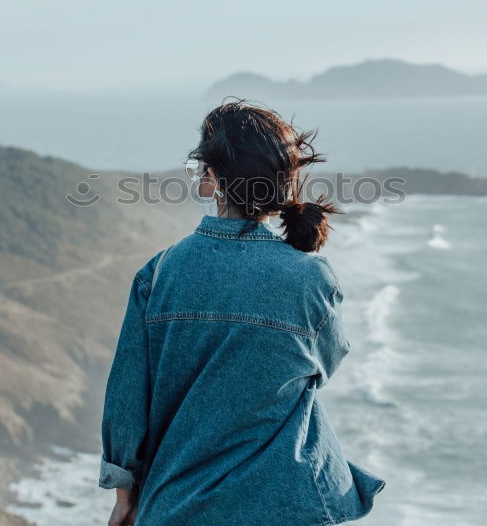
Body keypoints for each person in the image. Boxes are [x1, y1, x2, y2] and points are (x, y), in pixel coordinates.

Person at [99, 100, 385, 525]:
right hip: (286, 507)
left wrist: (125, 498)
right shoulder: (312, 278)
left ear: (212, 179)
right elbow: (324, 366)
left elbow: (127, 407)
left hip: (175, 508)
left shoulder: (158, 275)